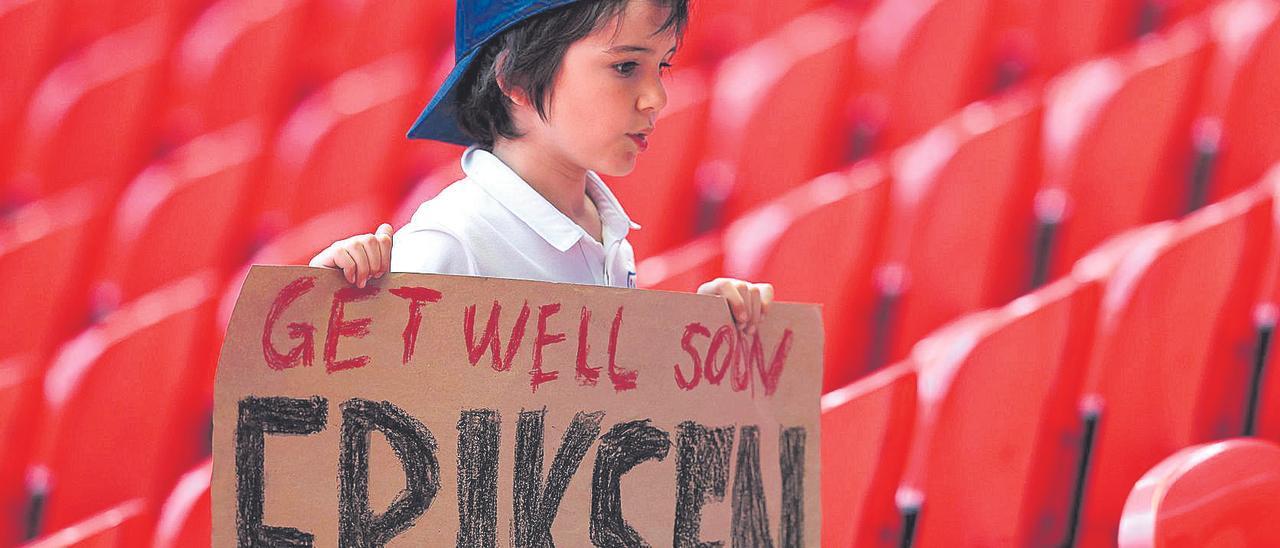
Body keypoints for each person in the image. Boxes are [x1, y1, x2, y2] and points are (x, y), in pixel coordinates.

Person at [309, 0, 775, 335]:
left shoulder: (605, 232)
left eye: (663, 66)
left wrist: (702, 339)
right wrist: (328, 304)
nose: (657, 98)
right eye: (626, 66)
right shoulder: (449, 244)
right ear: (517, 79)